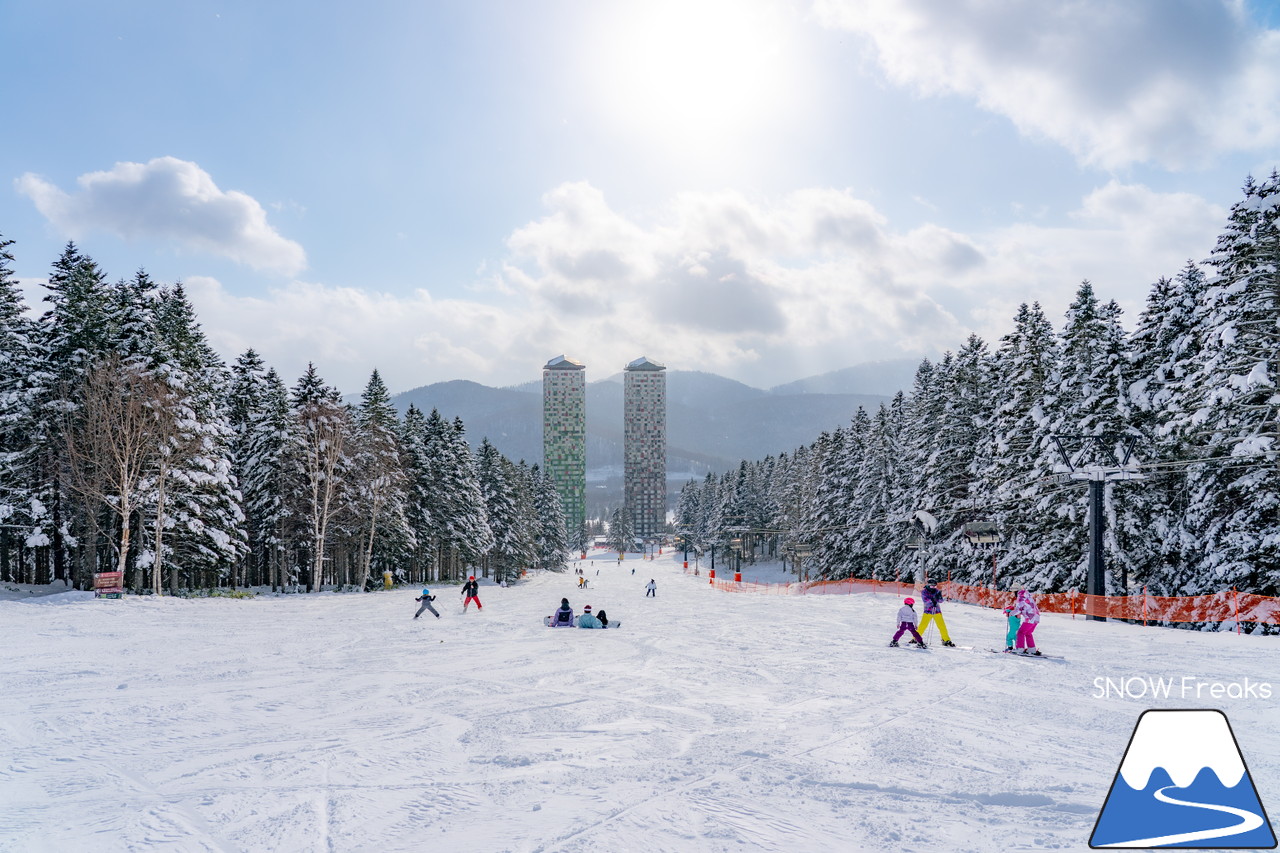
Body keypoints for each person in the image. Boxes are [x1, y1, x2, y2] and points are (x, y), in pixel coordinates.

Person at [918, 581, 955, 647]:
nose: (933, 588)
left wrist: (939, 598)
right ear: (928, 585)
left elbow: (940, 601)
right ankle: (915, 638)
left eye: (935, 586)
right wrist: (933, 600)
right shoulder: (924, 591)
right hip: (928, 611)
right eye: (932, 586)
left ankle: (946, 639)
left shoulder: (937, 591)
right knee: (923, 625)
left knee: (942, 626)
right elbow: (925, 601)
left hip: (937, 611)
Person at [1013, 589, 1041, 655]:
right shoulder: (1029, 597)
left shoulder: (1021, 598)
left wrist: (1011, 613)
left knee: (1020, 632)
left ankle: (1020, 648)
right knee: (1028, 633)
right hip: (1036, 617)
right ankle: (1032, 649)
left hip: (1029, 618)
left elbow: (1018, 610)